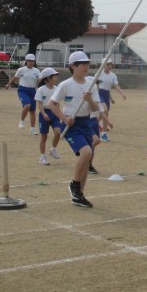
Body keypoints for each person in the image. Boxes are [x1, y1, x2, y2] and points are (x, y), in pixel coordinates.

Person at [48, 51, 100, 208]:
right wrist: (64, 119)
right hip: (71, 125)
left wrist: (89, 99)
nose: (86, 67)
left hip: (86, 123)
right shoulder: (65, 85)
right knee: (87, 152)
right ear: (73, 66)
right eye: (82, 64)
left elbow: (95, 108)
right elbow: (52, 104)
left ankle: (79, 195)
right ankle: (74, 185)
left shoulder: (91, 85)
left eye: (87, 64)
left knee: (85, 161)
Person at [5, 53, 41, 134]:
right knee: (27, 105)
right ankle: (22, 120)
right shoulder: (21, 70)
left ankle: (32, 129)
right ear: (26, 61)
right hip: (23, 90)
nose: (31, 62)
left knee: (32, 111)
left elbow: (40, 80)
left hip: (32, 90)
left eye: (33, 61)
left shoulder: (37, 71)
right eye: (29, 61)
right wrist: (8, 84)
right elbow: (15, 78)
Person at [35, 67, 62, 165]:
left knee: (58, 132)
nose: (56, 78)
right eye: (54, 76)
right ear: (47, 78)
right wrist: (44, 114)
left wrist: (58, 111)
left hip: (54, 113)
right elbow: (40, 104)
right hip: (44, 113)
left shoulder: (57, 89)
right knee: (44, 137)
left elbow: (57, 102)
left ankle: (53, 149)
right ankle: (42, 157)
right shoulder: (41, 89)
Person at [96, 59, 126, 142]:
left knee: (104, 114)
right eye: (108, 64)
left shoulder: (113, 76)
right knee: (104, 110)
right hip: (99, 94)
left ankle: (96, 126)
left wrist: (121, 94)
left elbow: (116, 86)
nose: (110, 66)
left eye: (111, 64)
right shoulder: (99, 74)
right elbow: (96, 86)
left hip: (106, 95)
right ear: (103, 65)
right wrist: (96, 97)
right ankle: (103, 133)